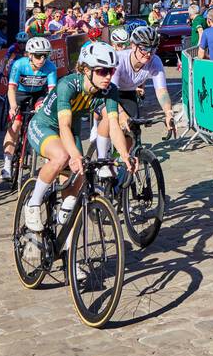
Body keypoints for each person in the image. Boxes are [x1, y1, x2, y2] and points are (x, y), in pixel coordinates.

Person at [22, 40, 136, 233]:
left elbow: (114, 125)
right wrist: (74, 155)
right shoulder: (68, 84)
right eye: (101, 71)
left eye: (111, 71)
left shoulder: (109, 91)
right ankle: (33, 204)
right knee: (62, 157)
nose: (108, 76)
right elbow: (63, 125)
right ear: (85, 69)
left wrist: (124, 155)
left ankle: (65, 227)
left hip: (70, 131)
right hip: (46, 125)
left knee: (81, 175)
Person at [110, 27, 176, 152]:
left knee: (132, 130)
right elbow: (110, 93)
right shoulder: (119, 60)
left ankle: (125, 159)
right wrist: (120, 114)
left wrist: (168, 113)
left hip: (128, 91)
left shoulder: (155, 61)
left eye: (153, 49)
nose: (149, 53)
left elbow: (161, 90)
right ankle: (102, 152)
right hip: (109, 92)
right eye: (144, 48)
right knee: (113, 121)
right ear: (133, 46)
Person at [2, 37, 59, 181]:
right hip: (19, 95)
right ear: (30, 55)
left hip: (38, 95)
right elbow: (11, 88)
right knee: (15, 125)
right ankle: (7, 165)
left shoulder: (50, 67)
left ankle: (47, 158)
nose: (42, 59)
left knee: (43, 116)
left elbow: (52, 91)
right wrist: (13, 106)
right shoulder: (19, 64)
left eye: (45, 55)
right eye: (38, 55)